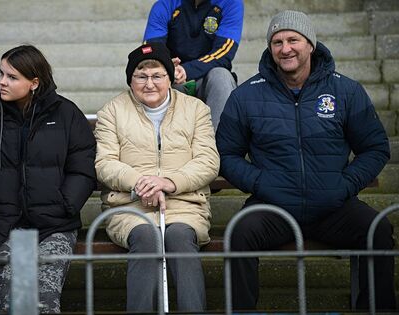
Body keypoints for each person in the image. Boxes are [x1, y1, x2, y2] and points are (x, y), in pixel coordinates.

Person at [216, 10, 396, 310]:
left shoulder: (345, 90)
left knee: (376, 228)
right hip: (273, 207)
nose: (285, 48)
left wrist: (344, 185)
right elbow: (226, 153)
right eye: (277, 41)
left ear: (310, 44)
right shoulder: (246, 95)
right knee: (239, 232)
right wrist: (261, 182)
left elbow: (376, 147)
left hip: (332, 206)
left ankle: (375, 310)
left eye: (292, 39)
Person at [0, 45, 96, 314]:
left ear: (34, 83)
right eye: (1, 73)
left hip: (54, 225)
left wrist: (65, 204)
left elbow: (83, 166)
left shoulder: (66, 114)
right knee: (13, 299)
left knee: (44, 302)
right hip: (3, 225)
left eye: (12, 77)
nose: (2, 82)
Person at [95, 42, 219, 313]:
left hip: (184, 204)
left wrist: (168, 182)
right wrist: (142, 183)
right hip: (130, 205)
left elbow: (208, 161)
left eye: (157, 75)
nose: (149, 83)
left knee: (179, 238)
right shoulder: (112, 112)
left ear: (170, 77)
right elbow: (105, 163)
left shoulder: (196, 109)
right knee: (147, 236)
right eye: (141, 75)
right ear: (131, 79)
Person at [143, 0, 244, 130]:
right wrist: (167, 68)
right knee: (153, 78)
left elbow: (224, 53)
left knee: (221, 76)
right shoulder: (165, 5)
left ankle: (218, 148)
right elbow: (150, 51)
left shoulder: (230, 3)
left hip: (208, 79)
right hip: (173, 79)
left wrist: (186, 70)